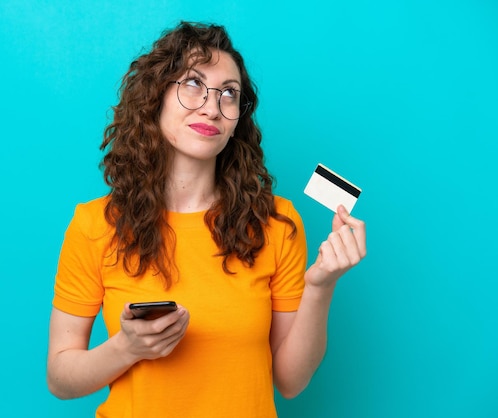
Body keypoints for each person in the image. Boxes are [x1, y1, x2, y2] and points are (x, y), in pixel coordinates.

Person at [47, 21, 367, 417]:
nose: (212, 107)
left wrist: (320, 286)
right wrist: (126, 348)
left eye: (228, 94)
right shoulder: (96, 224)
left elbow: (290, 382)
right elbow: (60, 377)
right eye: (193, 84)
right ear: (156, 98)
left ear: (237, 121)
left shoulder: (277, 223)